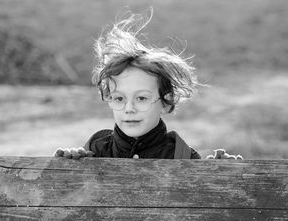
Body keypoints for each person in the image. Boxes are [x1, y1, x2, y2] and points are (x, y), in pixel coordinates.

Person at [55, 10, 242, 160]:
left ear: (166, 101)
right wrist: (67, 167)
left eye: (142, 98)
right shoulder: (94, 152)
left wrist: (218, 171)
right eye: (119, 98)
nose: (129, 109)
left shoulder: (182, 157)